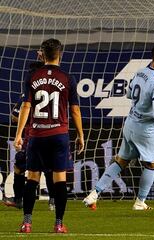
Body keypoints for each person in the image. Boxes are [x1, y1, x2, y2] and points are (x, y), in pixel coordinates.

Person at [83, 44, 154, 210]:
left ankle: (94, 194)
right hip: (146, 129)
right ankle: (140, 202)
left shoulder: (140, 72)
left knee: (121, 160)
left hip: (130, 124)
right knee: (151, 164)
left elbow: (129, 94)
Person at [14, 38, 84, 233]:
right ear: (60, 54)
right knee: (59, 179)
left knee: (32, 178)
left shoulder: (32, 76)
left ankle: (27, 223)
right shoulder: (67, 77)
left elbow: (26, 106)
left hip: (36, 135)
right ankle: (59, 224)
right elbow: (75, 110)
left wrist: (19, 134)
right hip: (59, 134)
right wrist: (80, 134)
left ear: (42, 54)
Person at [4, 51, 56, 211]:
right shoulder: (55, 87)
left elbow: (15, 116)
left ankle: (19, 199)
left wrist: (22, 122)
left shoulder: (29, 91)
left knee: (21, 166)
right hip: (53, 134)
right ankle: (53, 201)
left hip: (33, 136)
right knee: (48, 168)